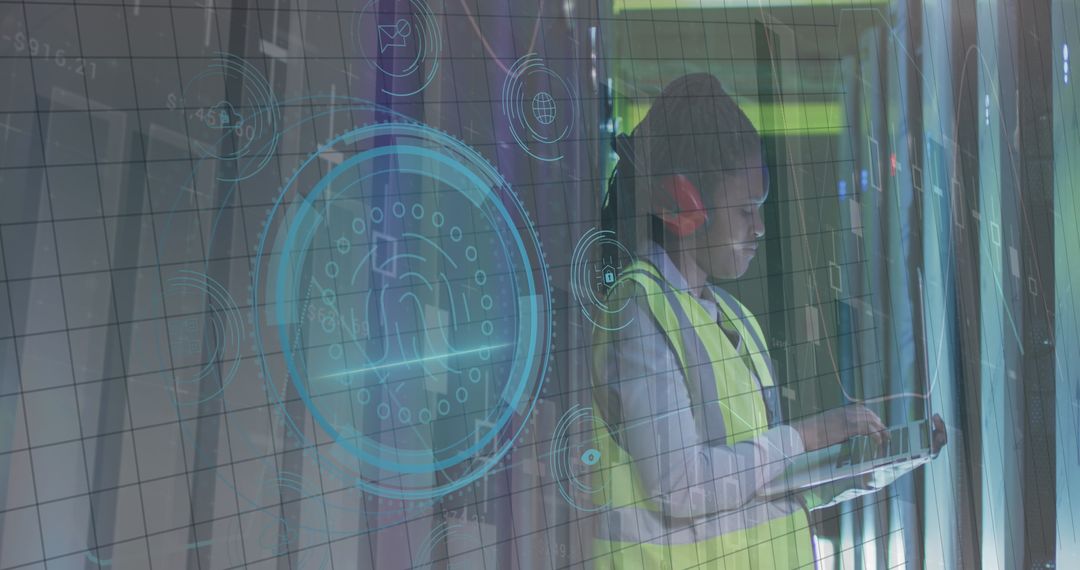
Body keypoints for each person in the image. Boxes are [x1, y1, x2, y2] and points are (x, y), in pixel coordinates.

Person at [589, 74, 946, 569]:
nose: (758, 229)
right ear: (685, 206)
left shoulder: (737, 323)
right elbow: (680, 485)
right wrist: (810, 435)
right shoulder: (639, 310)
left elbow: (762, 483)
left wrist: (858, 468)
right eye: (744, 212)